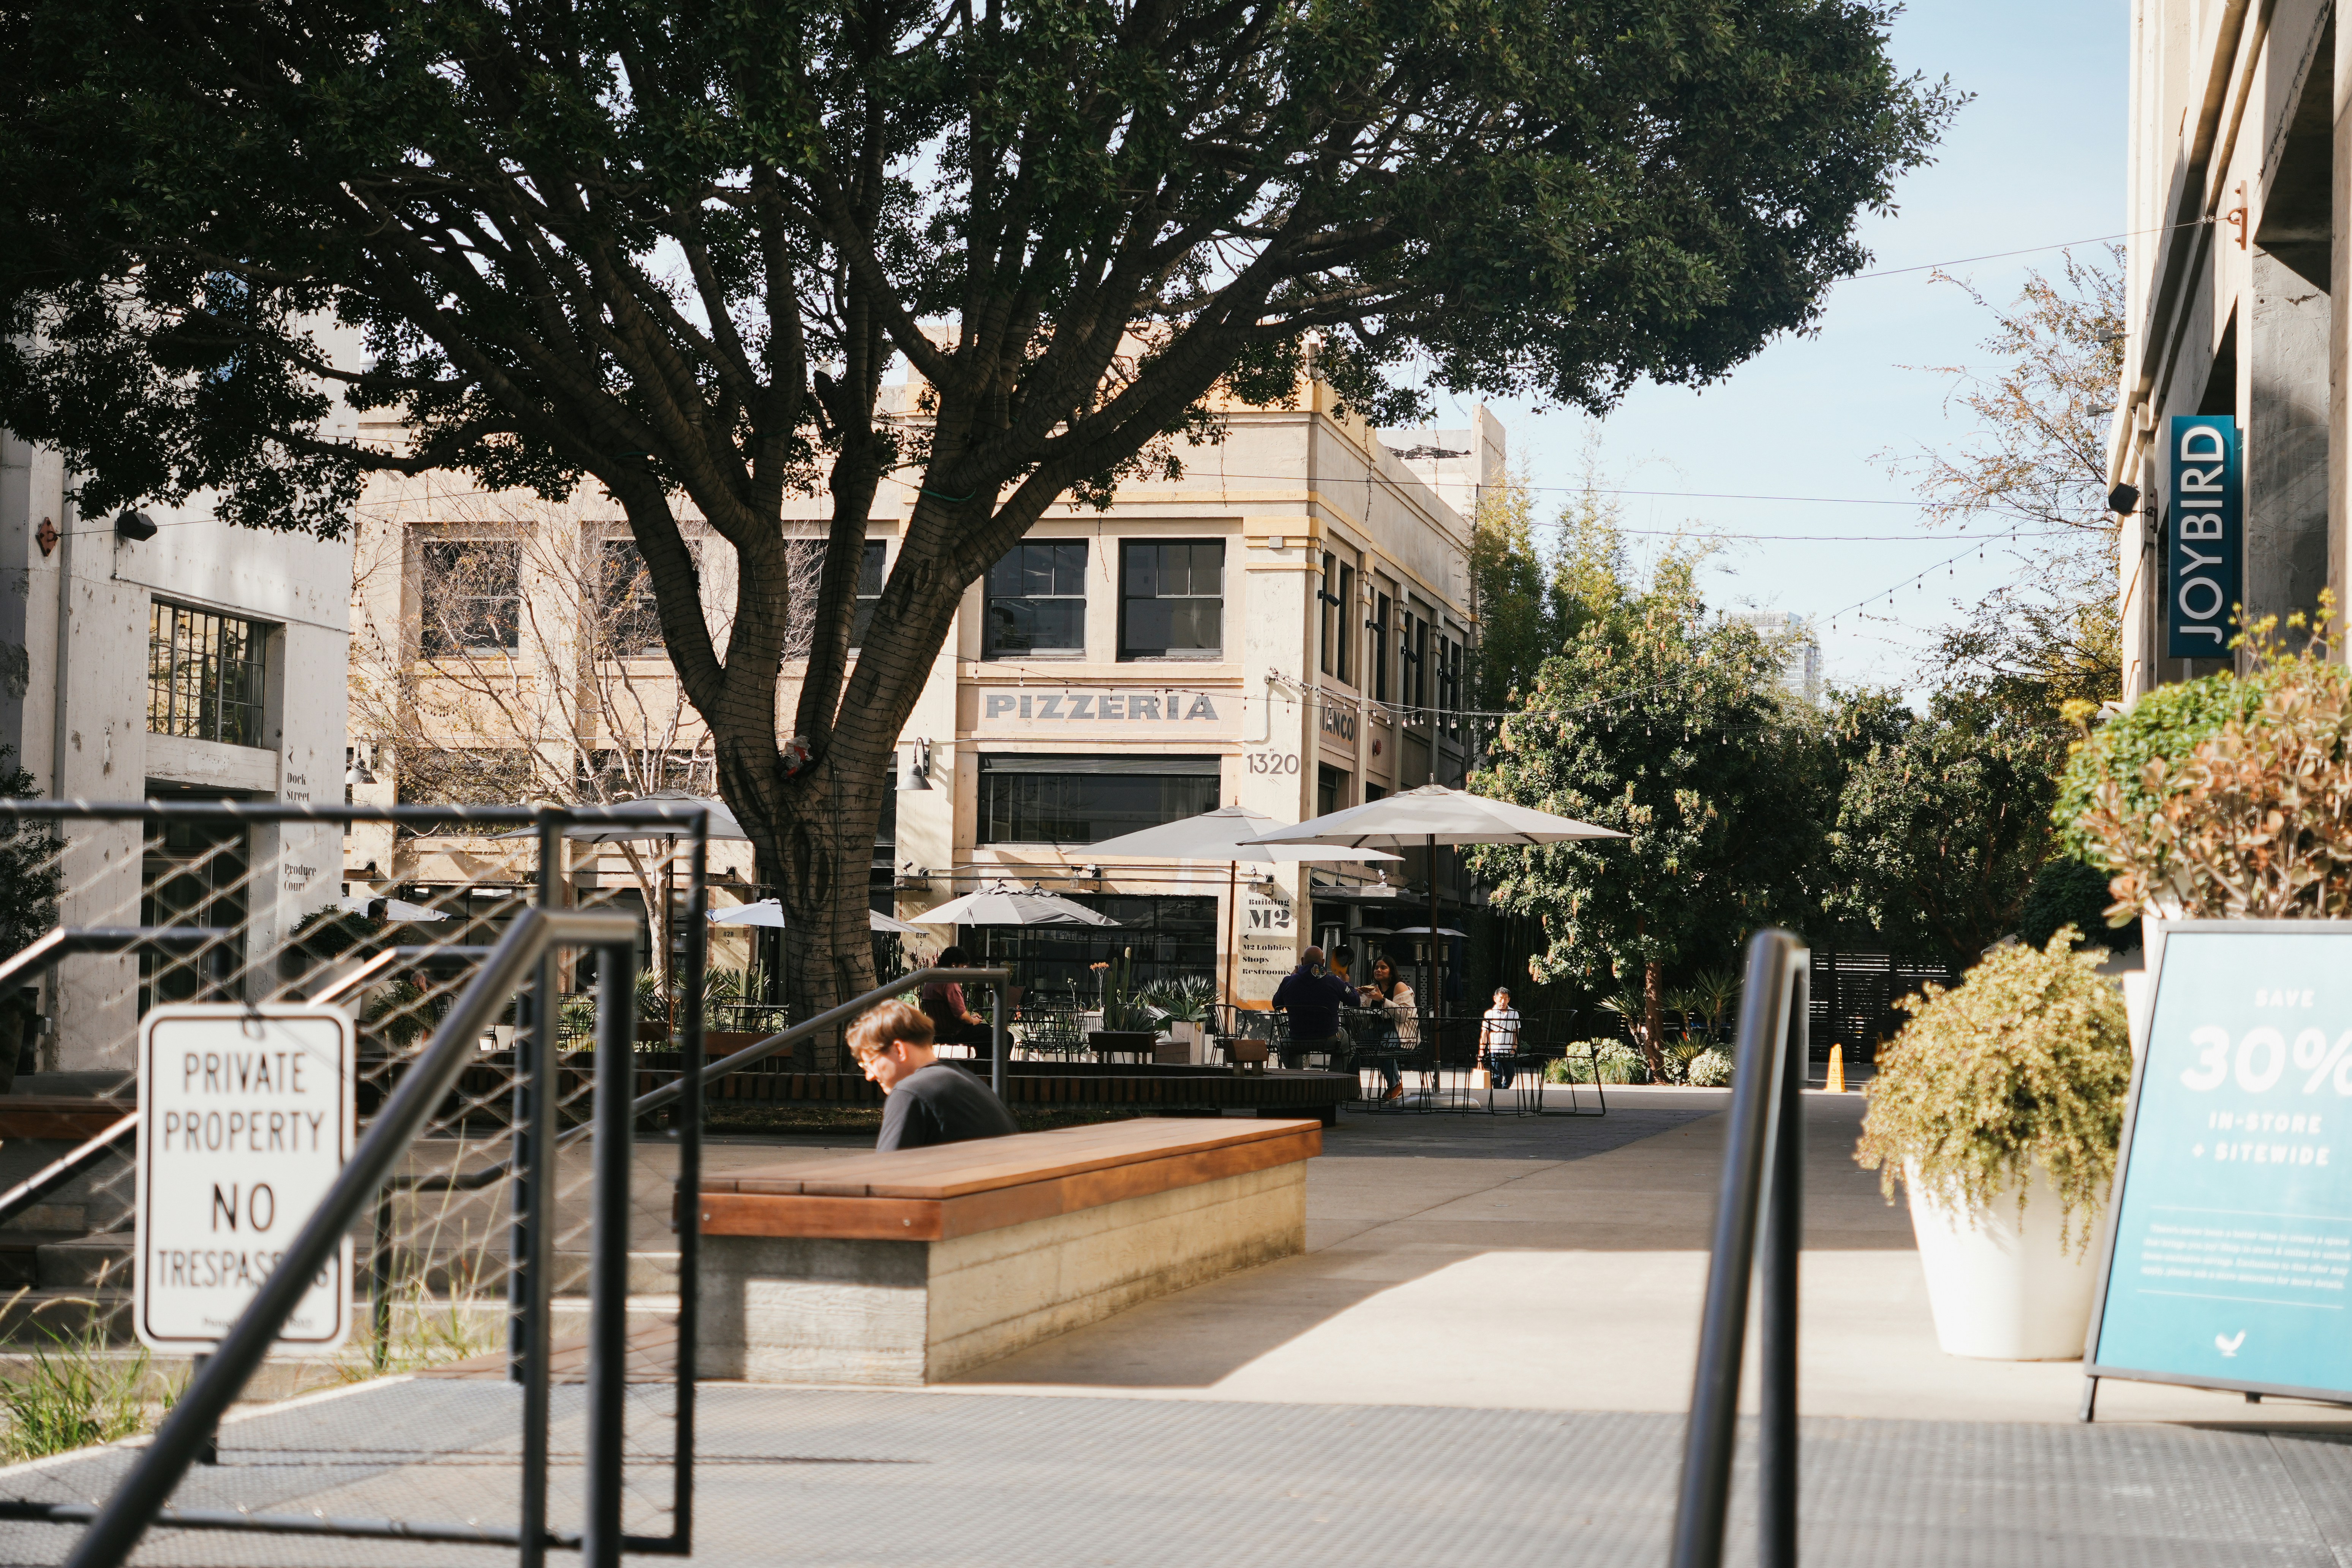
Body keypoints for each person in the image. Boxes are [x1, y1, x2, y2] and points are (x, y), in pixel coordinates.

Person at [850, 999, 1020, 1152]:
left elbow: (886, 1177)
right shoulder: (965, 1079)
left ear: (899, 1050)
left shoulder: (910, 1092)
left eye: (870, 1063)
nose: (869, 1076)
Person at [1272, 946, 1354, 1068]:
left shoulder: (1289, 981)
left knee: (1286, 1046)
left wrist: (1291, 978)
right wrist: (1346, 982)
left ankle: (1297, 1079)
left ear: (1302, 961)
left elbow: (1276, 1005)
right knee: (1348, 1045)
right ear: (1323, 962)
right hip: (1329, 1039)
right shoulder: (1334, 981)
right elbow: (1355, 1001)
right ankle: (1335, 1080)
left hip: (1296, 1039)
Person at [919, 945, 996, 1061]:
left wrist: (970, 1018)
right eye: (963, 967)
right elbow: (963, 1018)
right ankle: (991, 1070)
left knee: (984, 1038)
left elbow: (950, 1013)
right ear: (954, 966)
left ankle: (980, 1066)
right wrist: (973, 1020)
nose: (963, 970)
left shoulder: (930, 982)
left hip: (939, 1032)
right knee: (1004, 1037)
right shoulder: (950, 984)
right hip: (956, 1032)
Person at [1359, 955, 1418, 1103]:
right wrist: (1358, 996)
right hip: (1379, 1030)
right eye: (1376, 968)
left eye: (1383, 968)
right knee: (1354, 1043)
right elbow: (1362, 1012)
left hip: (1402, 1033)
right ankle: (1351, 1086)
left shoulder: (1400, 987)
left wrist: (1383, 1000)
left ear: (1391, 972)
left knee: (1385, 1044)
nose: (1378, 970)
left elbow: (1404, 1017)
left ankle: (1395, 1084)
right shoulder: (1373, 989)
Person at [1479, 987, 1523, 1091]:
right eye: (1501, 999)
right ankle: (1498, 1097)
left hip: (1509, 1051)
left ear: (1509, 999)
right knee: (1497, 1076)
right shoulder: (1490, 1013)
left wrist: (1514, 1048)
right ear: (1495, 999)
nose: (1503, 1002)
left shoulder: (1514, 1013)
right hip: (1495, 1050)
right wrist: (1482, 1050)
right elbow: (1485, 1033)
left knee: (1510, 1076)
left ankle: (1503, 1092)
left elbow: (1516, 1033)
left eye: (1506, 999)